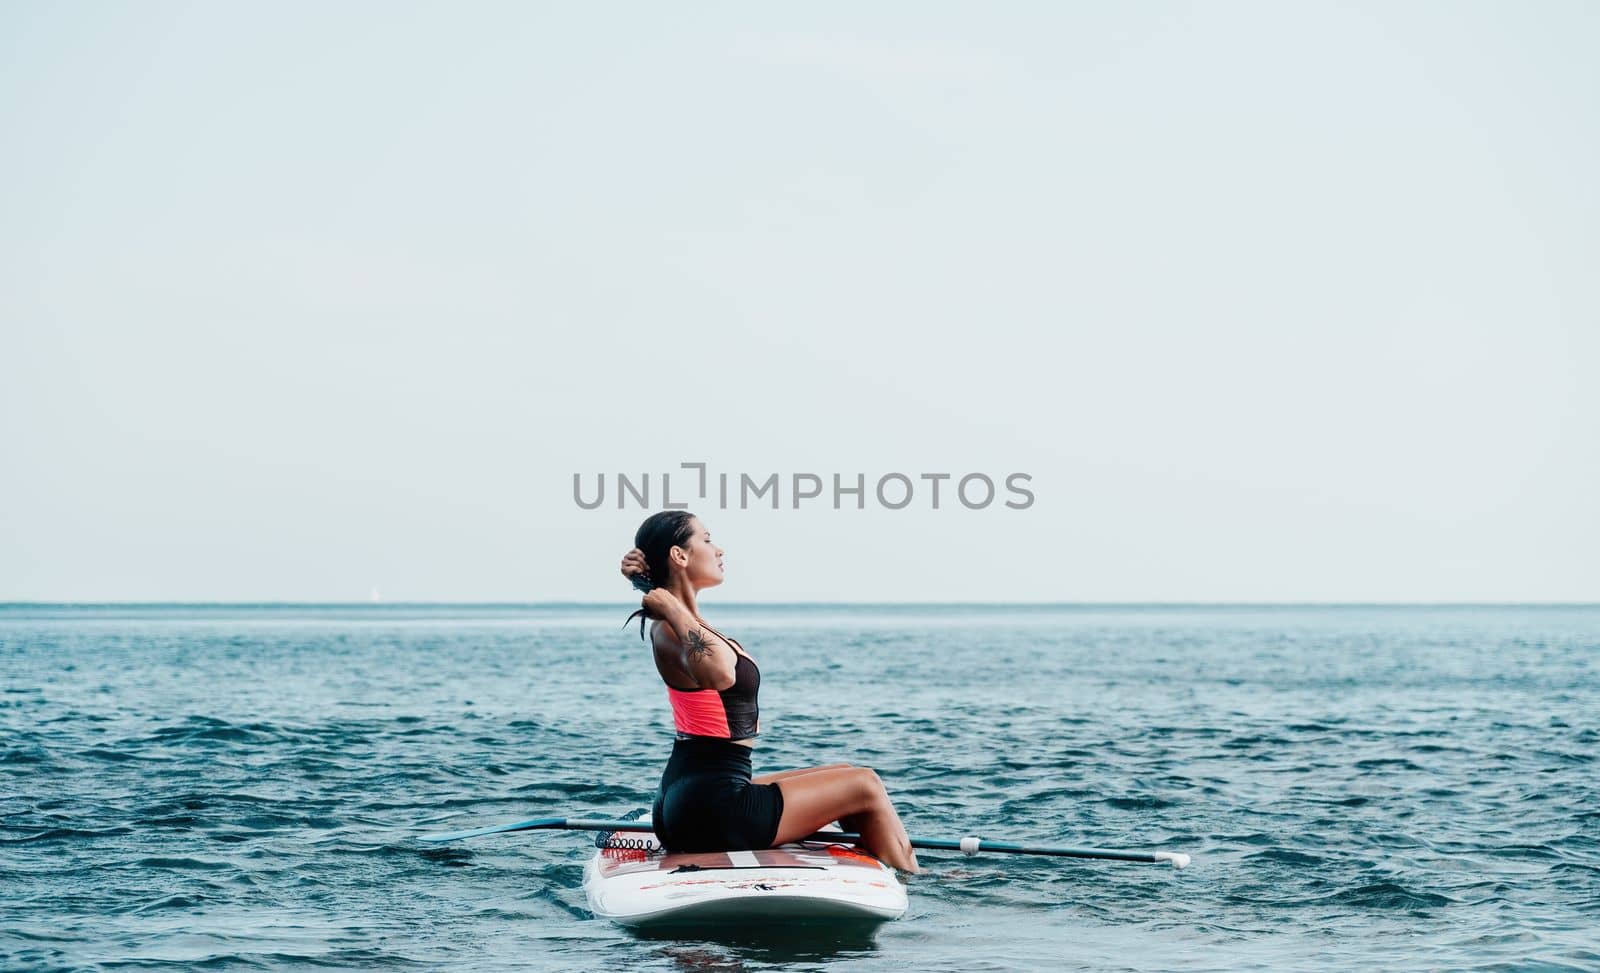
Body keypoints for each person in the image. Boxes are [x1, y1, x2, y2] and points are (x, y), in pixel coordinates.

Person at [620, 510, 919, 873]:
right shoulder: (670, 629)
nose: (719, 550)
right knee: (866, 784)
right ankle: (913, 879)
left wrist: (653, 591)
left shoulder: (680, 623)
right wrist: (669, 604)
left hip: (694, 797)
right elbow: (719, 674)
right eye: (707, 539)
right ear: (679, 555)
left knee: (844, 771)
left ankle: (883, 858)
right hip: (711, 807)